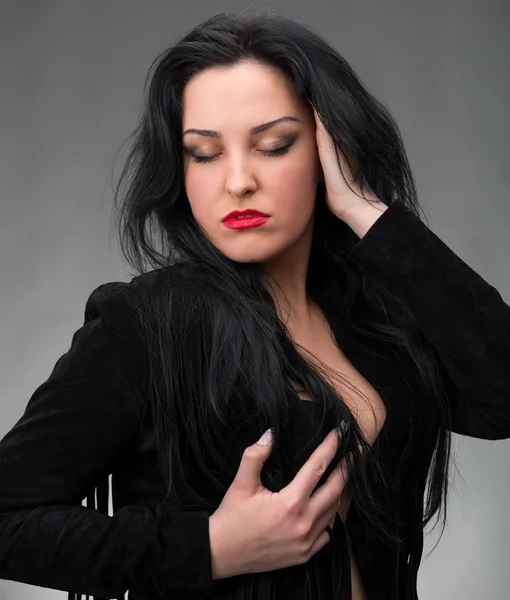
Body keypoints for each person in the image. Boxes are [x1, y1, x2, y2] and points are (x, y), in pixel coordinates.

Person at [0, 8, 509, 600]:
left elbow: (500, 396)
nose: (237, 180)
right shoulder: (146, 324)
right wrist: (210, 549)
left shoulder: (378, 315)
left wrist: (370, 214)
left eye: (273, 145)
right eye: (204, 153)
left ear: (327, 151)